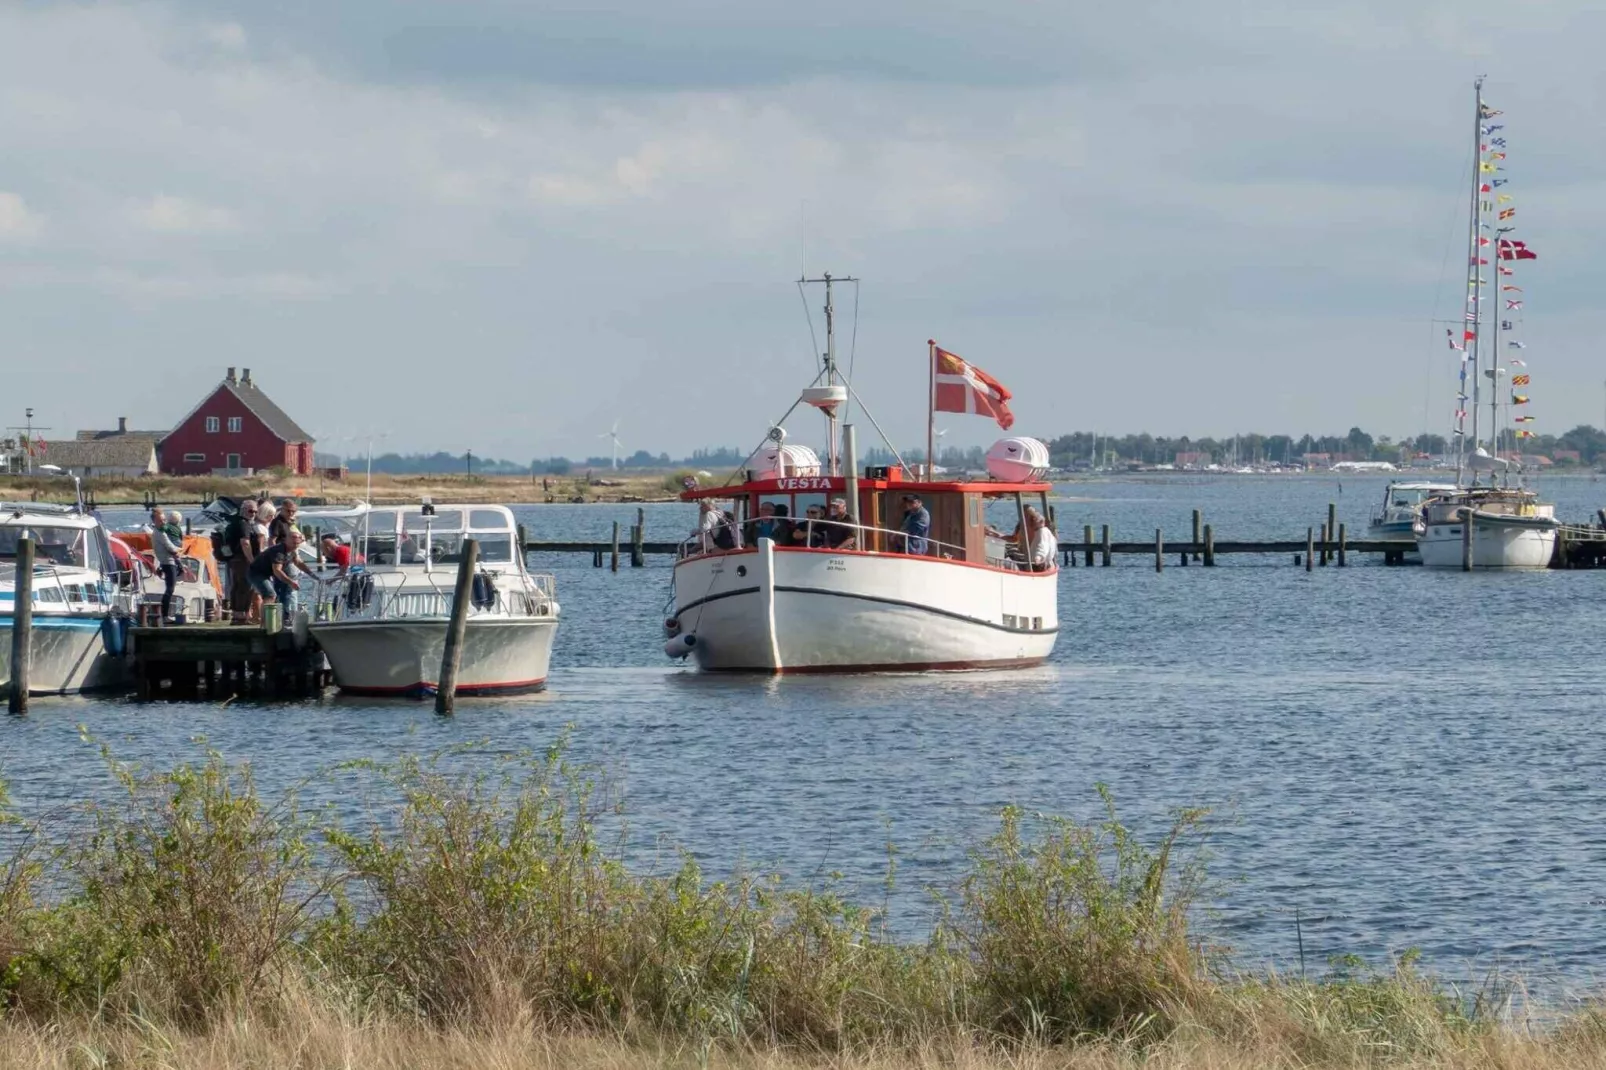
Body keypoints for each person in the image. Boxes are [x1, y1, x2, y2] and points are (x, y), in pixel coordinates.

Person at [248, 529, 315, 626]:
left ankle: (274, 620)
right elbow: (277, 571)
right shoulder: (279, 551)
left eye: (298, 539)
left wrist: (312, 575)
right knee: (270, 594)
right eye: (293, 538)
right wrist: (291, 582)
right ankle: (265, 623)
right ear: (285, 539)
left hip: (266, 574)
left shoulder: (293, 550)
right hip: (256, 573)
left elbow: (298, 562)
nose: (295, 541)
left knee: (274, 595)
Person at [223, 500, 257, 624]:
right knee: (246, 587)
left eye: (255, 511)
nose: (253, 514)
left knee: (237, 586)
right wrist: (252, 560)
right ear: (243, 510)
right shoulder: (244, 524)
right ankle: (241, 616)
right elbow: (245, 543)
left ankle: (237, 615)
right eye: (250, 511)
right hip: (242, 559)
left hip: (234, 559)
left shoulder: (234, 522)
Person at [149, 506, 182, 621]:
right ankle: (164, 615)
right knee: (170, 589)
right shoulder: (159, 533)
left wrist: (176, 551)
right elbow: (169, 546)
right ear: (154, 521)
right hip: (168, 563)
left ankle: (164, 615)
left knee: (170, 588)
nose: (163, 522)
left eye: (164, 520)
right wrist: (179, 550)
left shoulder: (160, 531)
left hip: (167, 561)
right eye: (160, 520)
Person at [1026, 507, 1058, 571]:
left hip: (1040, 566)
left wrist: (1038, 558)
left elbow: (1043, 546)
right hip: (1044, 563)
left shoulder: (1042, 532)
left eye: (1032, 521)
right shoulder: (1045, 532)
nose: (1029, 524)